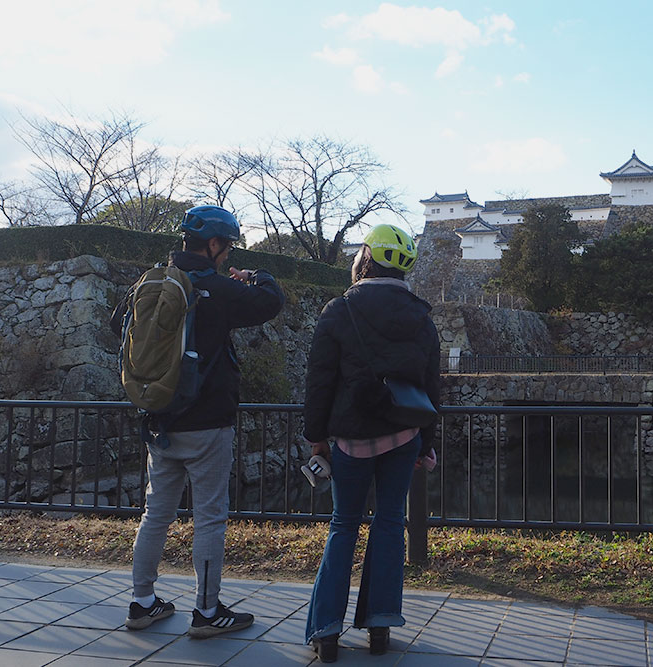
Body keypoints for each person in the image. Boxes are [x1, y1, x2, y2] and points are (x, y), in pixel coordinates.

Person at [111, 205, 285, 638]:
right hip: (207, 421)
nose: (227, 255)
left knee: (155, 515)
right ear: (213, 245)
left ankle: (142, 602)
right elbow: (270, 302)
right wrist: (257, 274)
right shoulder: (215, 287)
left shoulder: (154, 281)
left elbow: (120, 324)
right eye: (226, 248)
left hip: (159, 417)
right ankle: (207, 611)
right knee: (209, 517)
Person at [303, 224, 440, 662]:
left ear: (365, 258)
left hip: (350, 438)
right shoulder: (421, 315)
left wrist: (315, 437)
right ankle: (380, 624)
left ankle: (326, 631)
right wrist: (426, 444)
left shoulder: (339, 309)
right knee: (388, 524)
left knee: (343, 525)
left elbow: (320, 379)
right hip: (404, 435)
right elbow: (431, 387)